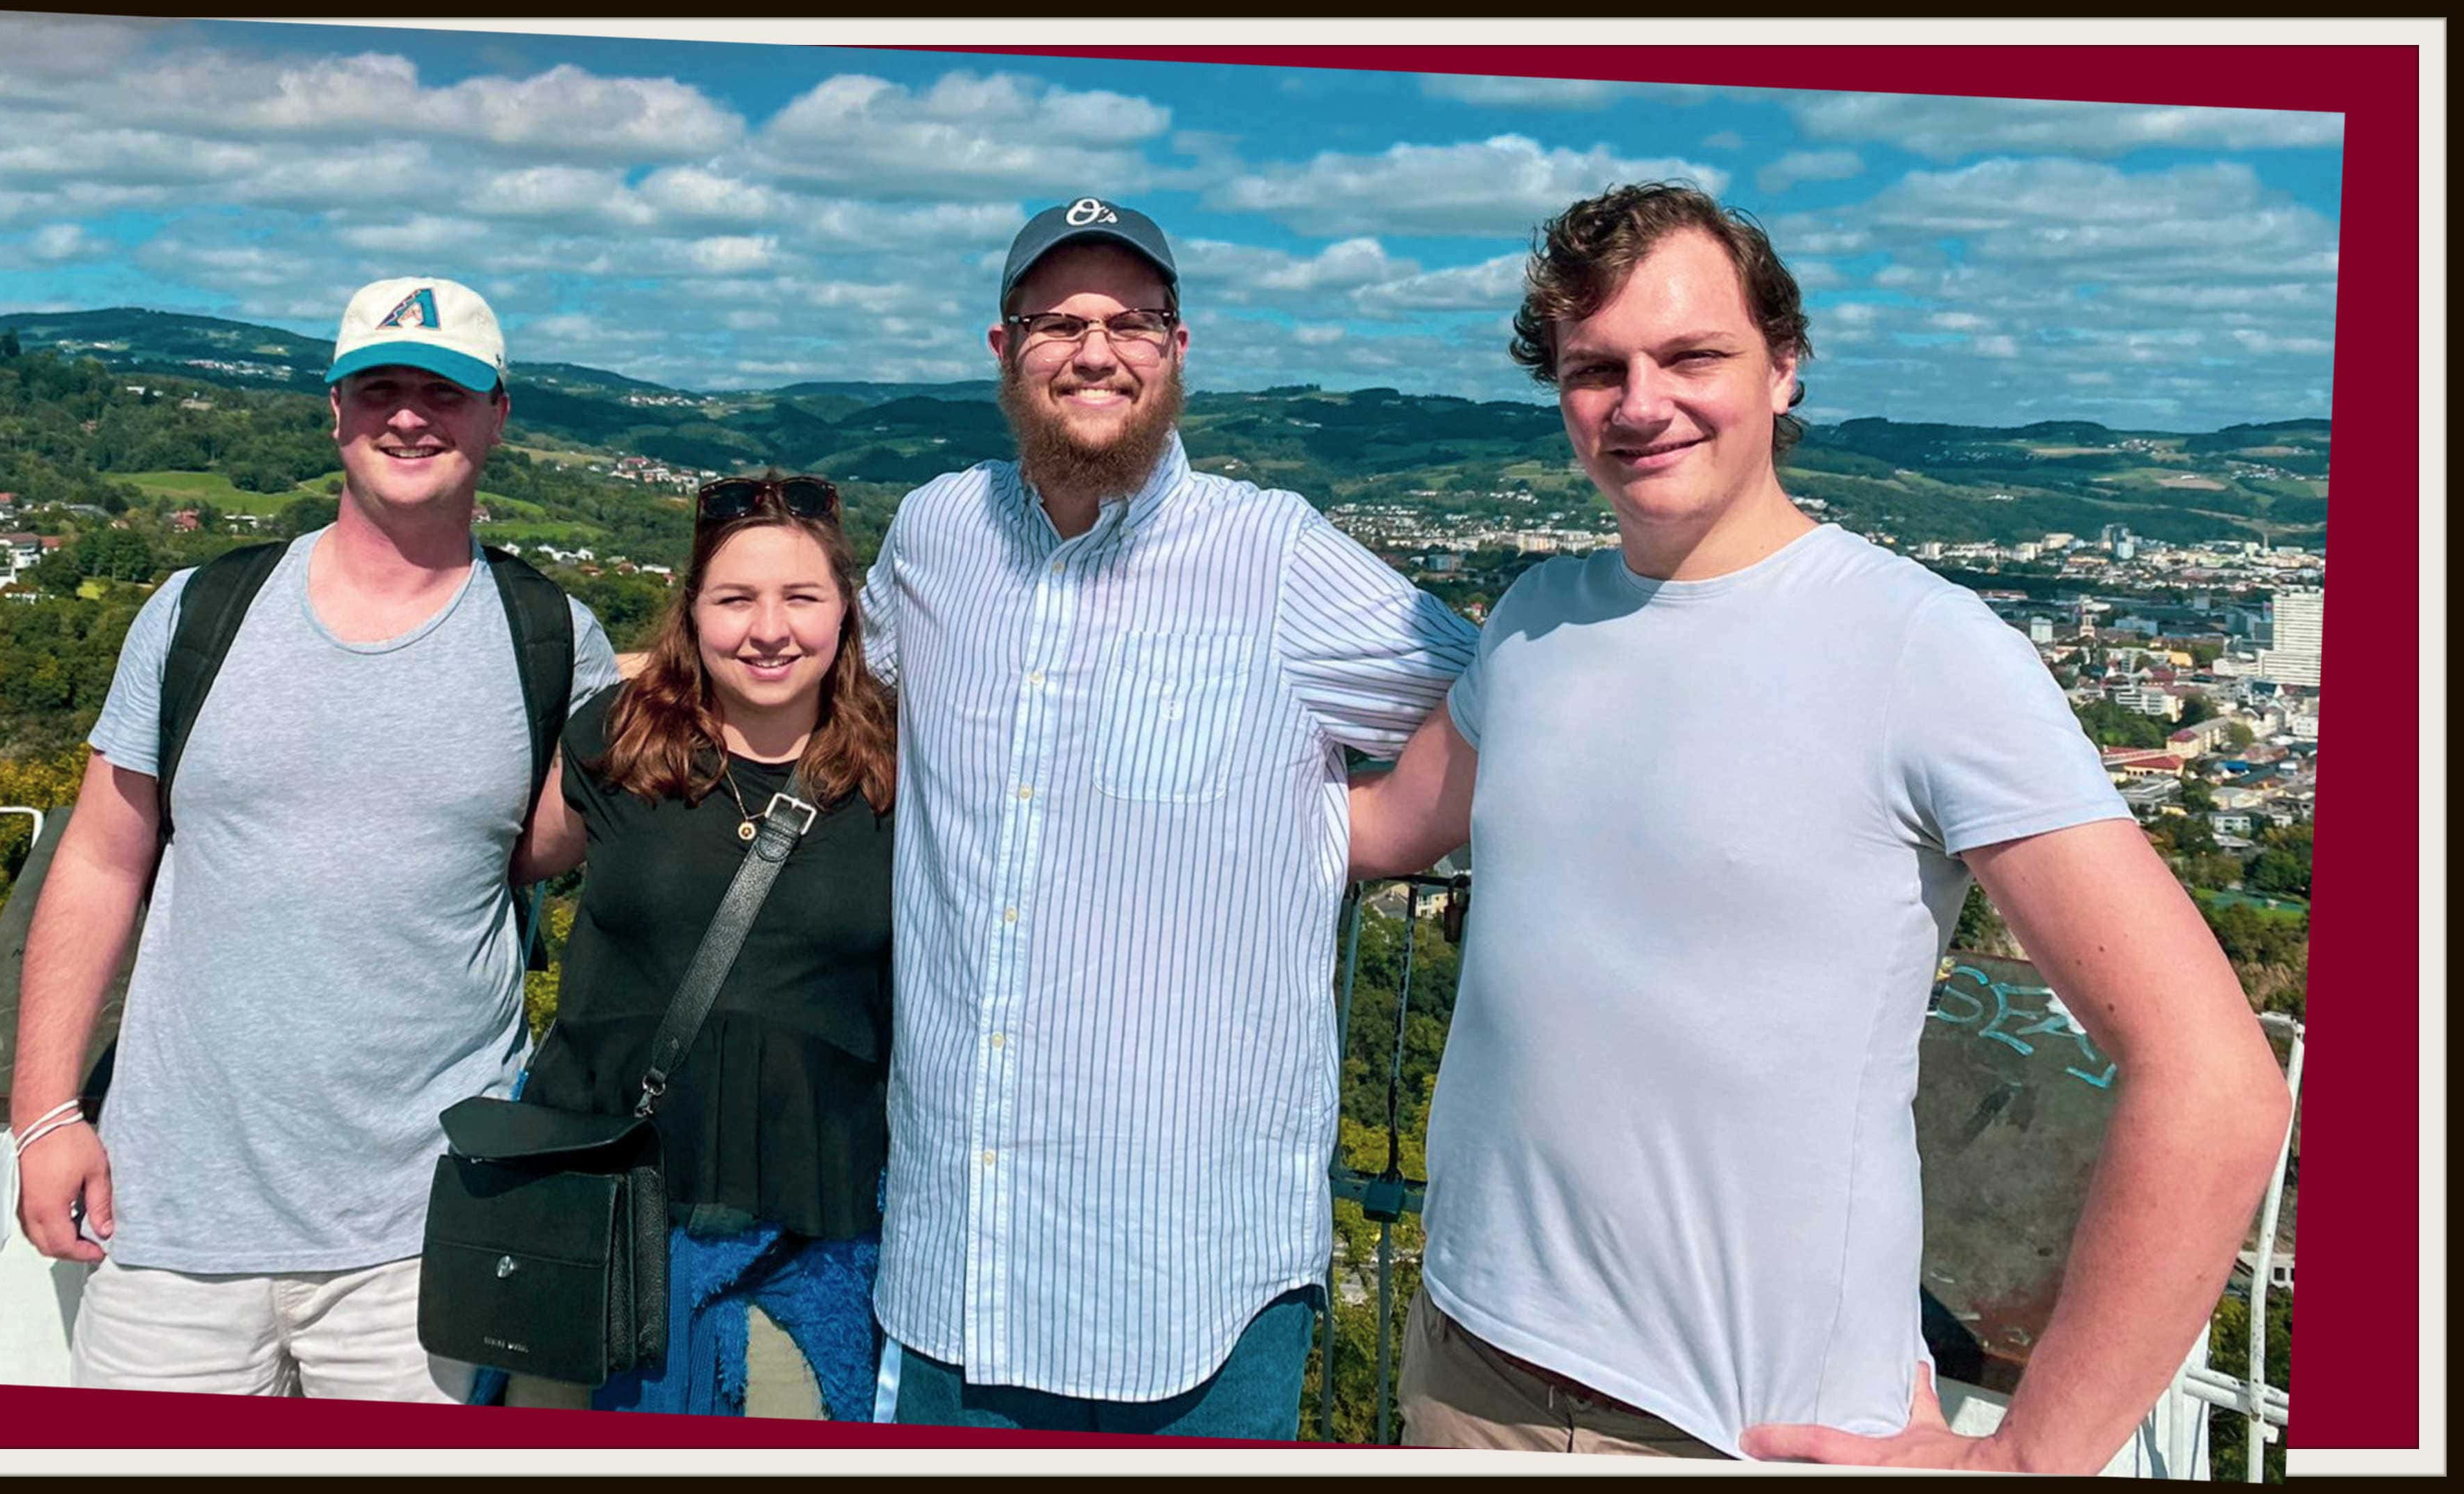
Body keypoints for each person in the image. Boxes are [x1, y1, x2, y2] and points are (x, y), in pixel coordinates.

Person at [1349, 183, 2296, 1470]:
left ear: (1783, 368)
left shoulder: (1924, 649)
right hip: (1470, 1368)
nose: (1640, 404)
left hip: (1749, 1426)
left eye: (1693, 355)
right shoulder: (1533, 624)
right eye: (1596, 369)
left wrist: (2031, 1455)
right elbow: (1384, 828)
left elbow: (2216, 1077)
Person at [857, 196, 1480, 1438]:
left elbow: (1496, 699)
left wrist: (1365, 830)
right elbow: (852, 706)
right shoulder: (936, 535)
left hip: (1189, 1287)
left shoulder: (1275, 556)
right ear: (1004, 350)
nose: (1096, 350)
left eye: (1132, 320)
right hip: (953, 1266)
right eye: (1059, 322)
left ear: (1178, 348)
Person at [8, 277, 620, 1401]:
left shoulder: (552, 638)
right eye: (378, 387)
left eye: (444, 391)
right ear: (333, 411)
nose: (408, 415)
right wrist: (45, 1116)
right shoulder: (199, 611)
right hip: (168, 1215)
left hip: (426, 1230)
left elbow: (536, 850)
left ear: (499, 416)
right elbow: (99, 859)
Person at [510, 474, 896, 1421]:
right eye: (735, 600)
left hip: (809, 1239)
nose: (770, 629)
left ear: (846, 611)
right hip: (597, 1231)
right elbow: (504, 857)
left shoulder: (905, 767)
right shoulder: (614, 741)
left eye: (801, 598)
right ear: (693, 612)